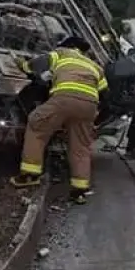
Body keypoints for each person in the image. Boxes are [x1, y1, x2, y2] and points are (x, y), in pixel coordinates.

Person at [10, 34, 108, 204]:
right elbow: (105, 94)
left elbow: (34, 66)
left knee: (36, 124)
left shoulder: (60, 54)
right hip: (89, 106)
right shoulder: (94, 66)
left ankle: (29, 175)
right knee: (81, 146)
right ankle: (79, 191)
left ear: (66, 45)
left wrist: (21, 63)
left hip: (64, 98)